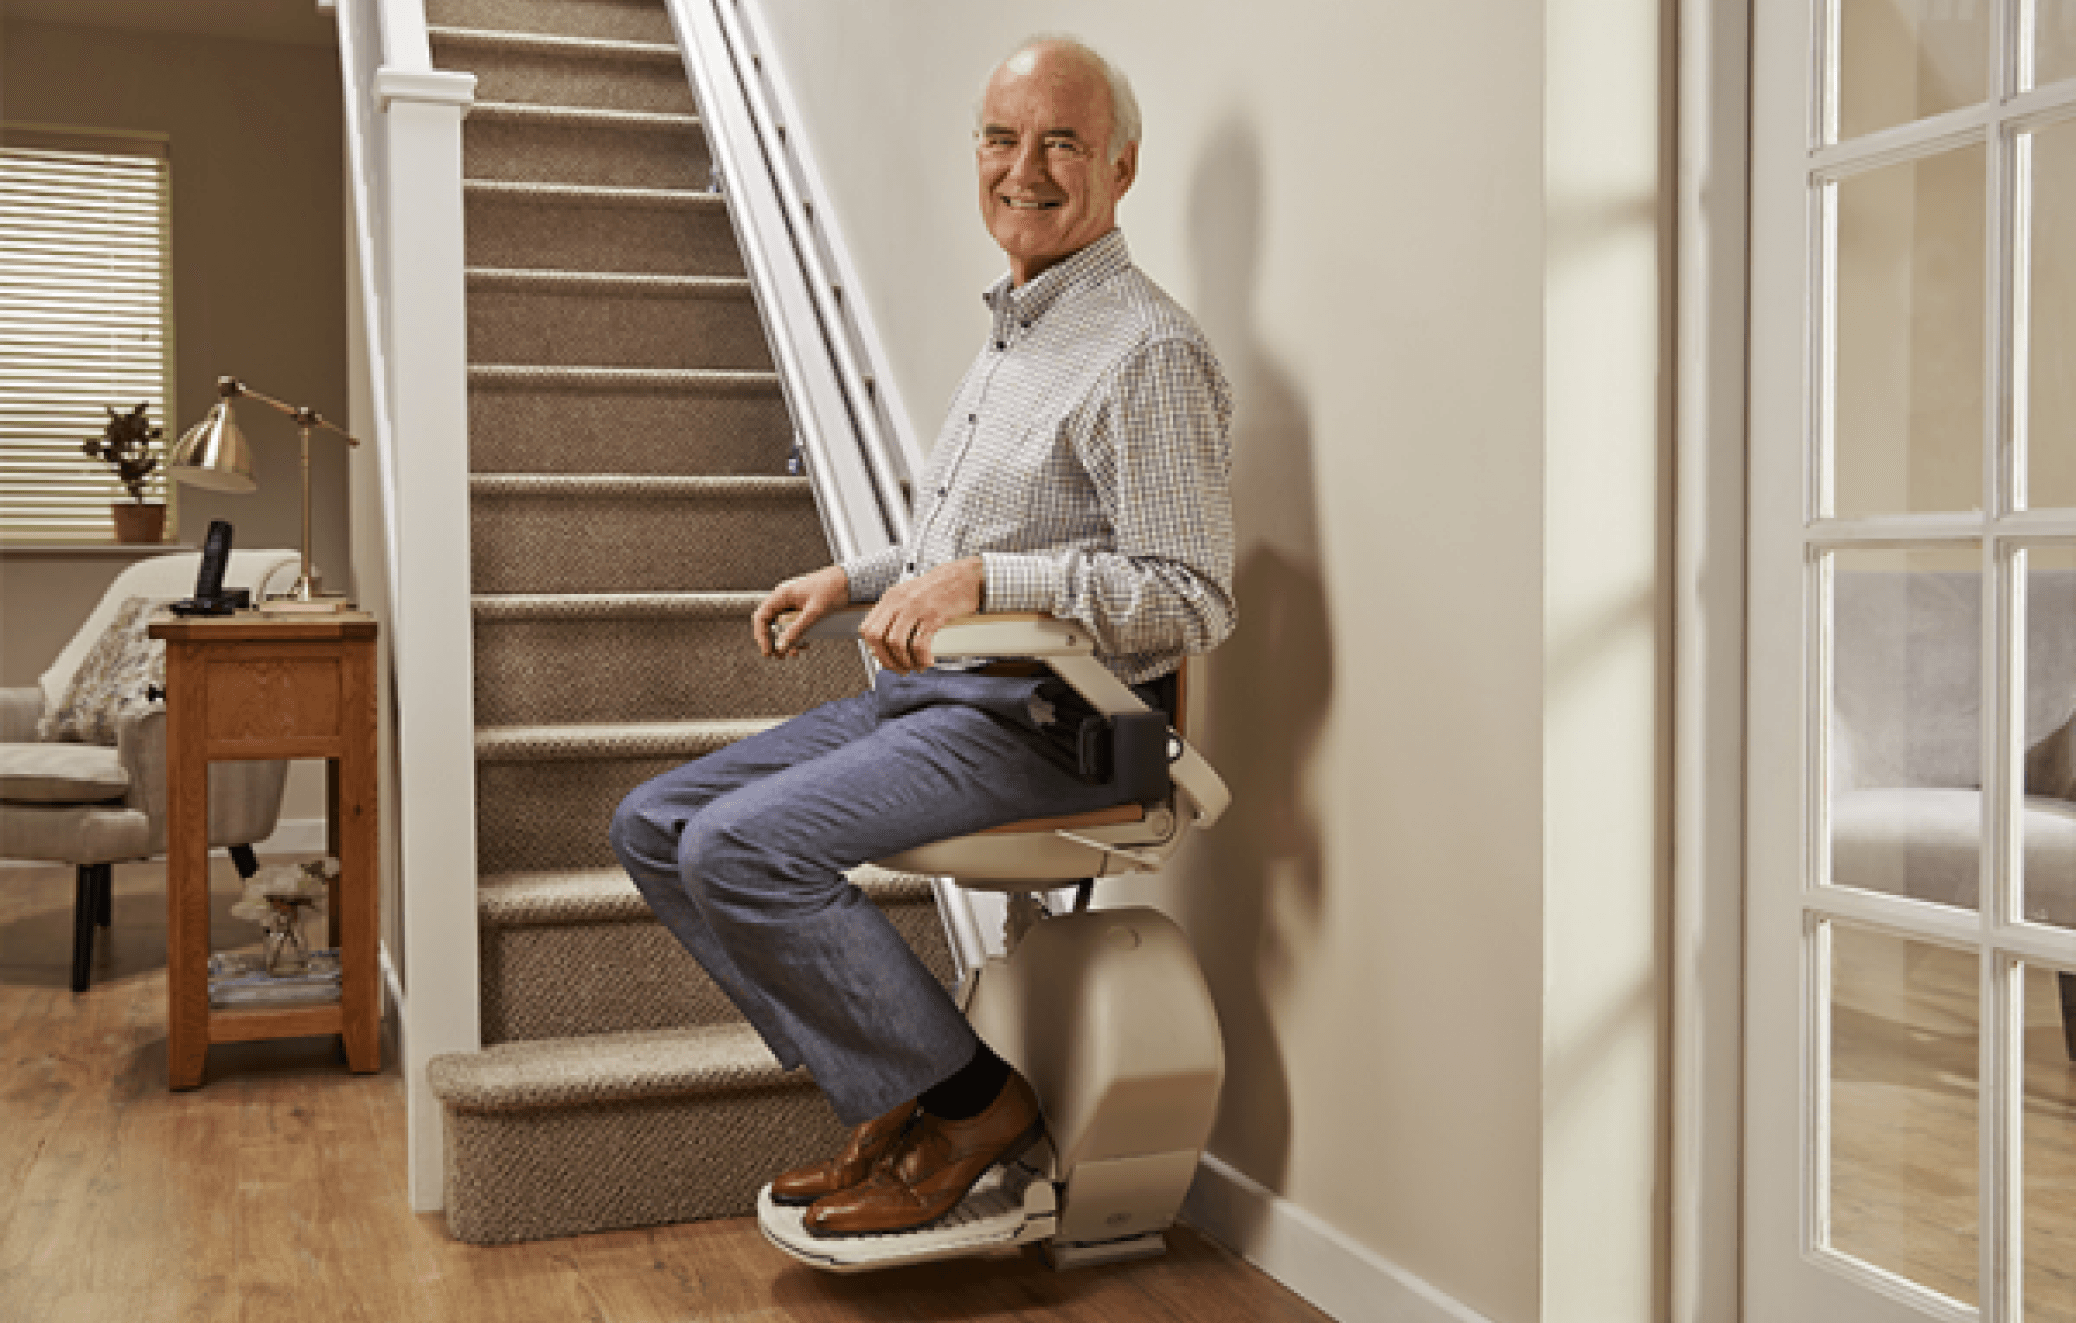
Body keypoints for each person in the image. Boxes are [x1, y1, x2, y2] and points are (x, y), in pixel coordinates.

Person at [609, 34, 1234, 1239]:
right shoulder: (1019, 334)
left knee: (740, 848)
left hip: (1062, 724)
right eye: (1004, 139)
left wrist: (981, 578)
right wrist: (850, 576)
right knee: (656, 826)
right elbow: (966, 549)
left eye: (1063, 140)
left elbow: (1191, 591)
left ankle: (973, 1106)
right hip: (943, 700)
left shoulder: (1146, 351)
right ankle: (912, 1091)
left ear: (1122, 165)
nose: (1026, 168)